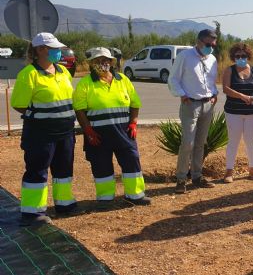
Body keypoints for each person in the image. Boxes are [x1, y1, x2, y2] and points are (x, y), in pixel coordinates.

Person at [10, 32, 78, 226]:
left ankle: (64, 204)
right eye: (54, 49)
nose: (58, 52)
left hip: (65, 131)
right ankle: (33, 212)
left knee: (64, 168)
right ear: (40, 50)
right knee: (37, 171)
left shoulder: (63, 72)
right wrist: (42, 115)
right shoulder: (29, 74)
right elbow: (19, 104)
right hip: (40, 133)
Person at [73, 47, 150, 208]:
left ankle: (135, 195)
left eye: (106, 60)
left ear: (111, 62)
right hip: (98, 134)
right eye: (98, 61)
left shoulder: (123, 80)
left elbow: (135, 103)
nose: (103, 63)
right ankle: (105, 198)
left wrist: (133, 122)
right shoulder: (85, 84)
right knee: (101, 165)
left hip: (124, 132)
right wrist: (87, 130)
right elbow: (79, 110)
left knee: (131, 162)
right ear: (91, 64)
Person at [168, 29, 219, 193]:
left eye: (213, 45)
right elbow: (173, 79)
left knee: (200, 143)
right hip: (191, 104)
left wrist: (214, 94)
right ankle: (181, 179)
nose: (210, 47)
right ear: (198, 41)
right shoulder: (185, 57)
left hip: (207, 105)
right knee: (188, 143)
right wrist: (182, 95)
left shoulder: (212, 59)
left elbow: (211, 81)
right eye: (208, 44)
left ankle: (197, 177)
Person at [221, 42, 253, 183]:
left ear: (248, 56)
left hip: (252, 114)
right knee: (233, 142)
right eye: (238, 55)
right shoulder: (230, 70)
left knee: (251, 141)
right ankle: (229, 171)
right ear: (233, 57)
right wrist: (243, 96)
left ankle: (252, 169)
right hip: (233, 113)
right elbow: (226, 89)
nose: (241, 58)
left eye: (244, 55)